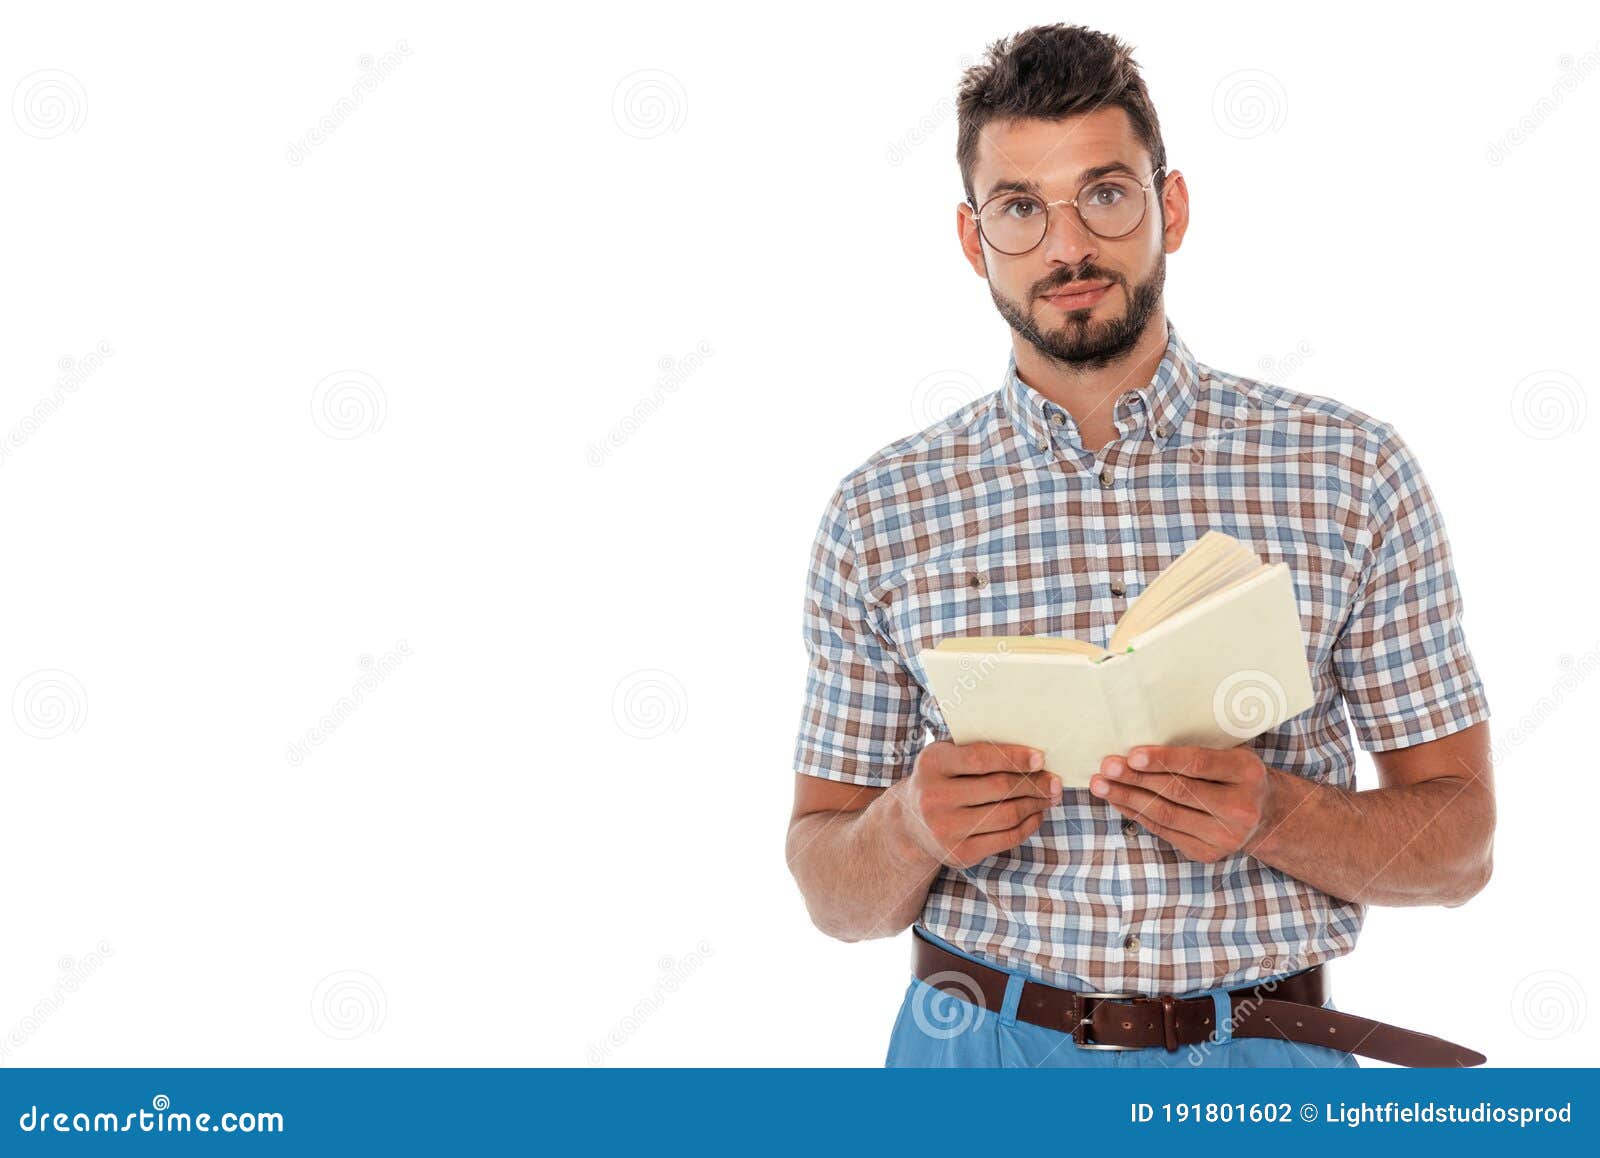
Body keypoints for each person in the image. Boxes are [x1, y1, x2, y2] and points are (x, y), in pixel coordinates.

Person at [785, 22, 1494, 1068]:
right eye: (1019, 209)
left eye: (1104, 194)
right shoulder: (880, 511)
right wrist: (909, 828)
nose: (1067, 246)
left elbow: (1458, 849)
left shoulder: (1349, 472)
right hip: (976, 1063)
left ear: (1170, 207)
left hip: (1264, 1065)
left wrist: (1275, 812)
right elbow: (828, 890)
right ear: (973, 241)